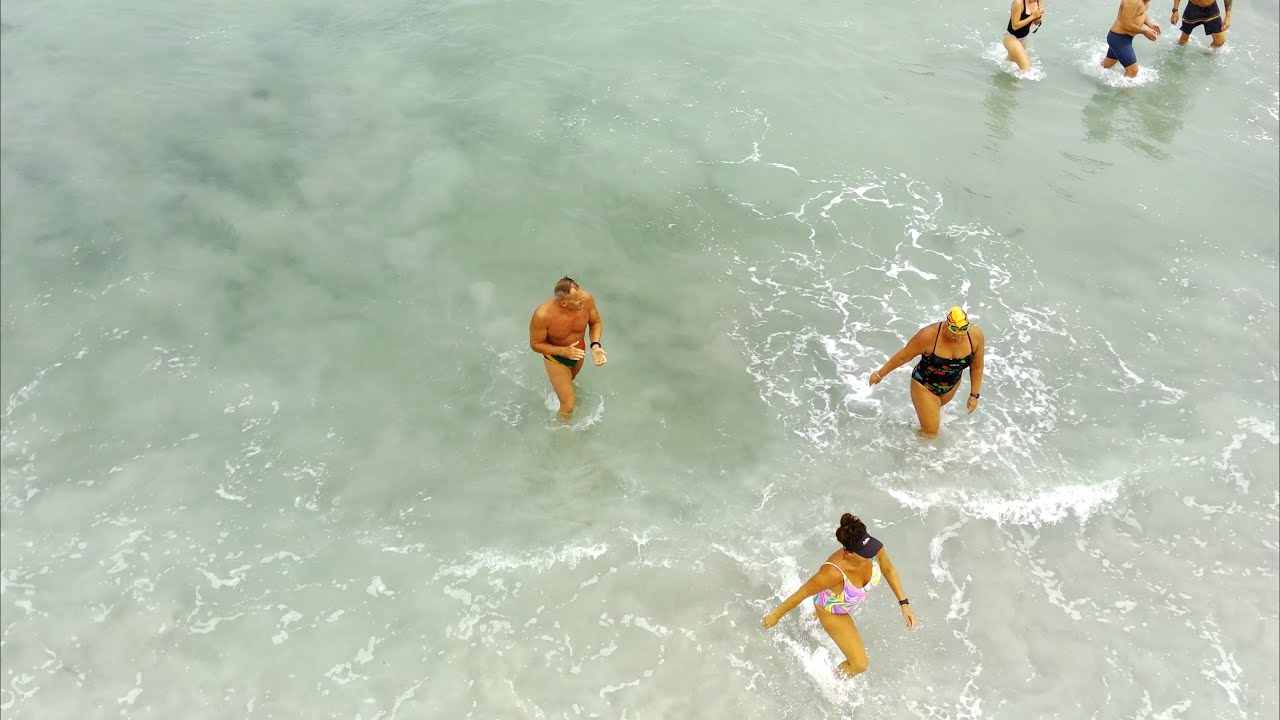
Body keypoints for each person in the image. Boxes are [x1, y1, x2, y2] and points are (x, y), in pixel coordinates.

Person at [762, 514, 917, 678]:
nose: (872, 553)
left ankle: (811, 620)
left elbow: (888, 570)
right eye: (865, 552)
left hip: (846, 601)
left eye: (870, 546)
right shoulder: (832, 573)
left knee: (817, 625)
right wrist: (775, 616)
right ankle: (834, 683)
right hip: (831, 610)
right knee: (859, 664)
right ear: (849, 553)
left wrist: (904, 604)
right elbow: (802, 593)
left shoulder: (873, 549)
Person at [867, 306, 985, 438]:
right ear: (946, 326)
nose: (958, 339)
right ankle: (913, 452)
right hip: (925, 386)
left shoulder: (975, 336)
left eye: (962, 336)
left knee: (932, 419)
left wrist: (974, 395)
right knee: (931, 433)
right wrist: (879, 374)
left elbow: (977, 366)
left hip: (951, 386)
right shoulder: (928, 336)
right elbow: (903, 356)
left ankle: (911, 432)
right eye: (954, 336)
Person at [528, 277, 607, 417]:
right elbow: (535, 344)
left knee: (569, 383)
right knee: (568, 405)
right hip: (556, 357)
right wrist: (563, 351)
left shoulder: (586, 299)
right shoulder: (543, 315)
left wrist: (595, 345)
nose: (583, 301)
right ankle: (561, 436)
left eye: (581, 295)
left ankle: (558, 394)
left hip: (578, 352)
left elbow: (595, 322)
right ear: (564, 303)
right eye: (577, 300)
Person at [1101, 0, 1162, 79]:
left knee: (1105, 66)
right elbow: (1126, 25)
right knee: (1133, 70)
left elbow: (1140, 12)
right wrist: (1145, 31)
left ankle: (1091, 75)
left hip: (1125, 38)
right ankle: (1126, 91)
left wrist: (1150, 23)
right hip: (1119, 39)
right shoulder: (1132, 1)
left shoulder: (1144, 1)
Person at [1003, 0, 1045, 72]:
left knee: (1012, 65)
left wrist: (1039, 15)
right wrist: (1033, 16)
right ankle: (1019, 83)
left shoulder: (1038, 1)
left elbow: (1035, 22)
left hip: (1023, 38)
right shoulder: (1019, 2)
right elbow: (1015, 26)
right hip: (1011, 37)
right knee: (1026, 68)